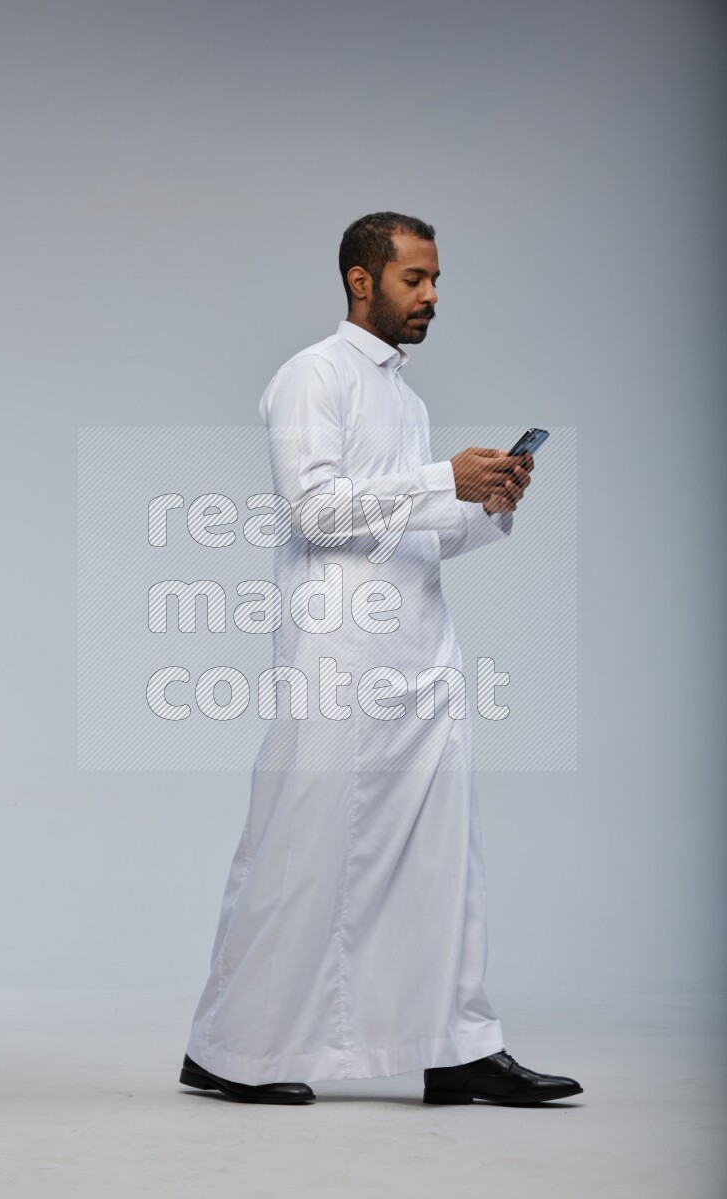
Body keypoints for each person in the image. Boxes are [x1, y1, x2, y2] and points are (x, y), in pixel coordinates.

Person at [179, 211, 583, 1106]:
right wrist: (443, 478)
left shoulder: (407, 400)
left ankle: (458, 1045)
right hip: (338, 657)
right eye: (415, 279)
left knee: (443, 860)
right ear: (361, 281)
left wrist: (485, 504)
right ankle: (228, 1049)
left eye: (436, 280)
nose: (432, 295)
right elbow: (314, 510)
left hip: (421, 656)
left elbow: (410, 531)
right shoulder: (312, 376)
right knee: (298, 851)